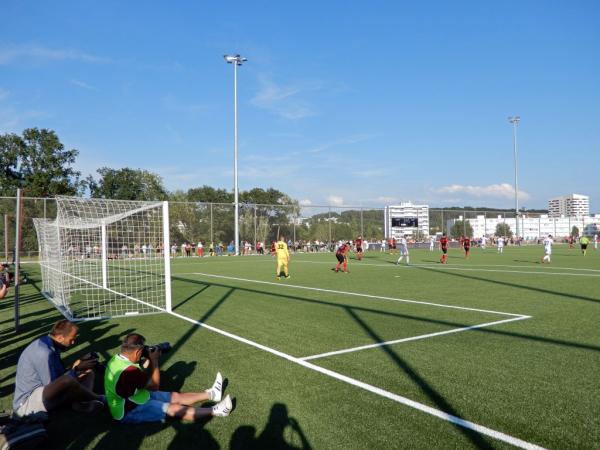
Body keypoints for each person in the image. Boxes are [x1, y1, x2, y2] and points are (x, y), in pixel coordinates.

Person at [105, 333, 232, 423]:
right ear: (138, 352)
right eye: (143, 348)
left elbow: (139, 371)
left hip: (136, 395)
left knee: (174, 396)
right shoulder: (130, 371)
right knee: (173, 409)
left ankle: (212, 394)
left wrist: (148, 358)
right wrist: (154, 361)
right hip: (128, 410)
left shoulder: (117, 359)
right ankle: (217, 410)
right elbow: (154, 386)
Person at [13, 319, 105, 419]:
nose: (74, 342)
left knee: (88, 372)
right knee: (68, 379)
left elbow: (59, 376)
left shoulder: (48, 344)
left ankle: (80, 404)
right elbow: (55, 383)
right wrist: (76, 369)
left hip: (42, 394)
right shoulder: (44, 353)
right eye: (72, 339)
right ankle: (101, 398)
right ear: (60, 337)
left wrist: (77, 365)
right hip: (26, 406)